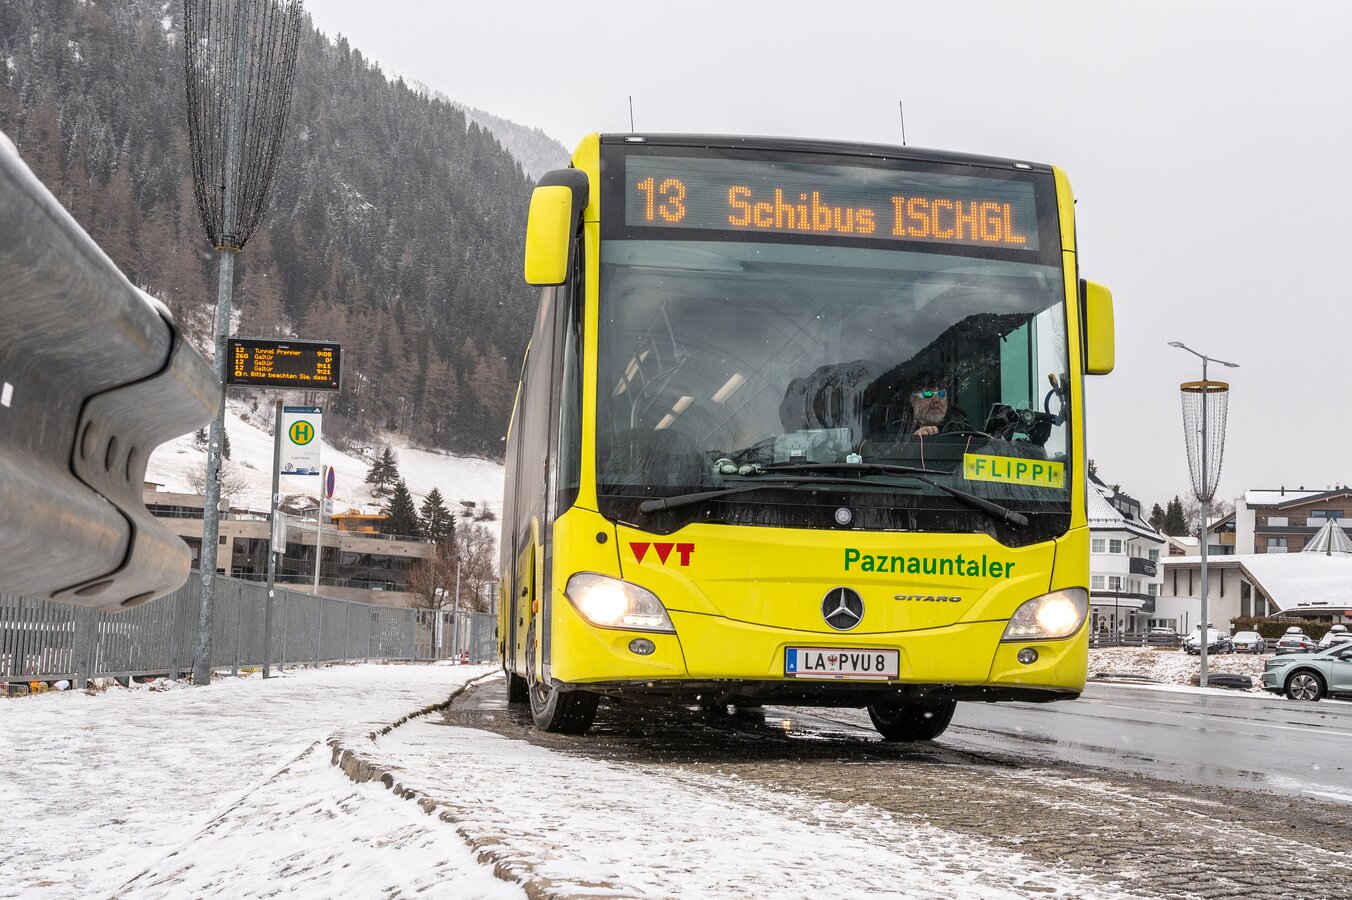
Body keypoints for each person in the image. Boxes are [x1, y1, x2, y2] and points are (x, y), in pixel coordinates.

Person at [894, 373, 968, 438]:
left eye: (941, 394)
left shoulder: (960, 426)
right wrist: (913, 441)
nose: (936, 400)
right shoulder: (897, 429)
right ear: (913, 400)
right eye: (928, 394)